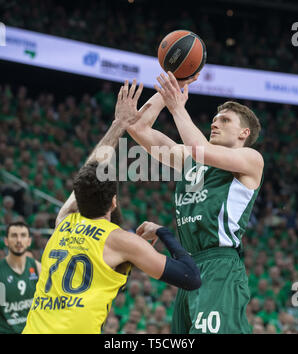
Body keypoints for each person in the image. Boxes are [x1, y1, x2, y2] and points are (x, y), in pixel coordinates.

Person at [22, 80, 201, 334]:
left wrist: (118, 124)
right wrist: (163, 232)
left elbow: (89, 171)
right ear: (114, 200)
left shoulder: (63, 221)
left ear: (77, 198)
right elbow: (191, 278)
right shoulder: (121, 241)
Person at [126, 72, 264, 334]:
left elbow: (200, 148)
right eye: (213, 119)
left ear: (244, 133)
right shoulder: (191, 160)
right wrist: (171, 90)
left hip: (220, 265)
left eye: (224, 120)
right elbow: (138, 129)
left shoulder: (251, 159)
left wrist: (178, 107)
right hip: (189, 266)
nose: (215, 124)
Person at [0, 221, 41, 334]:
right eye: (14, 235)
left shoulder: (37, 267)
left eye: (23, 235)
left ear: (29, 241)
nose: (19, 240)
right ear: (6, 241)